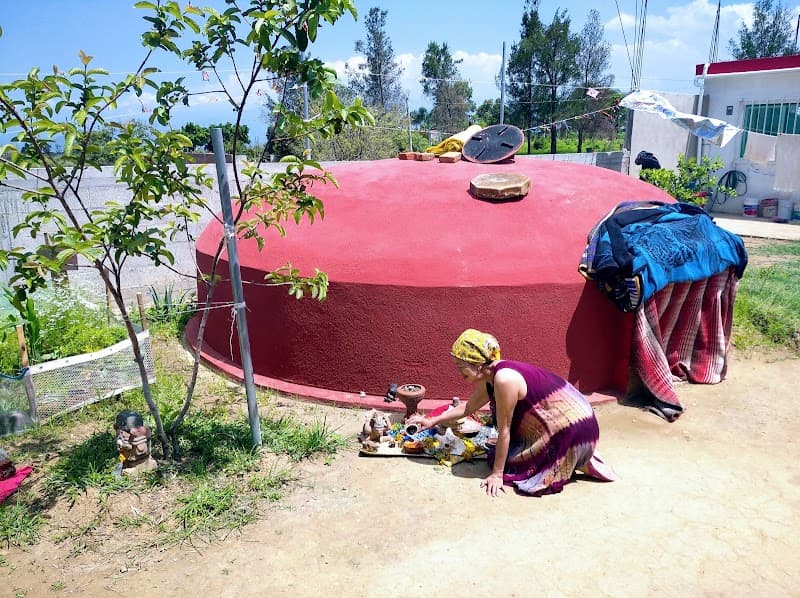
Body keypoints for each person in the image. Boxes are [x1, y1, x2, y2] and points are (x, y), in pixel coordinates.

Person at [407, 329, 616, 497]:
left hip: (574, 427)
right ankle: (578, 456)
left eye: (461, 366)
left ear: (478, 365)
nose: (458, 372)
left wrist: (497, 474)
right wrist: (431, 420)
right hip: (572, 422)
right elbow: (467, 408)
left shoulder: (503, 380)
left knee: (508, 465)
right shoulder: (489, 376)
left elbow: (504, 429)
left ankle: (576, 456)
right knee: (499, 453)